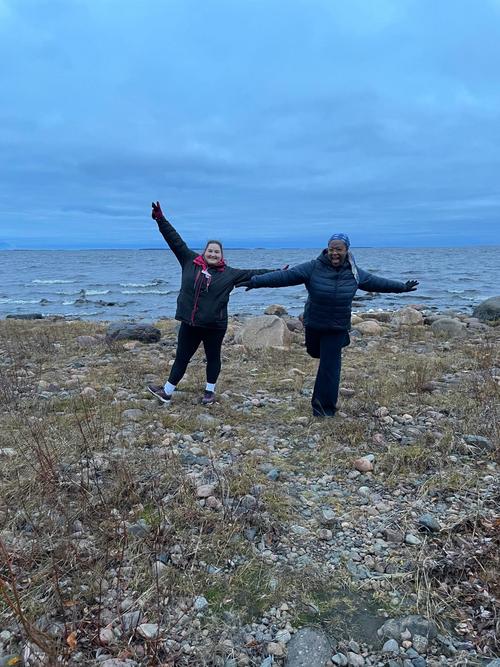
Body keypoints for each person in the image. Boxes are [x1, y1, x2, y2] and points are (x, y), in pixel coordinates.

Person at [240, 233, 419, 418]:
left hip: (337, 326)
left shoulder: (355, 273)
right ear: (327, 249)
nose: (334, 253)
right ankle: (331, 352)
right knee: (314, 352)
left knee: (329, 367)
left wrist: (402, 287)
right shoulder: (313, 267)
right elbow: (286, 276)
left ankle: (324, 410)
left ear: (346, 250)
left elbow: (378, 282)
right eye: (331, 249)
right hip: (314, 324)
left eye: (339, 249)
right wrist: (256, 281)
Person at [147, 201, 283, 405]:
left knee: (213, 358)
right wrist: (160, 219)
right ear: (204, 252)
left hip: (214, 325)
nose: (212, 254)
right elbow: (174, 240)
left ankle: (209, 392)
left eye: (216, 252)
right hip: (190, 323)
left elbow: (256, 274)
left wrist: (280, 273)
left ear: (221, 256)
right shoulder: (189, 261)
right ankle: (167, 392)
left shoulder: (230, 274)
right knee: (182, 357)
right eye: (210, 251)